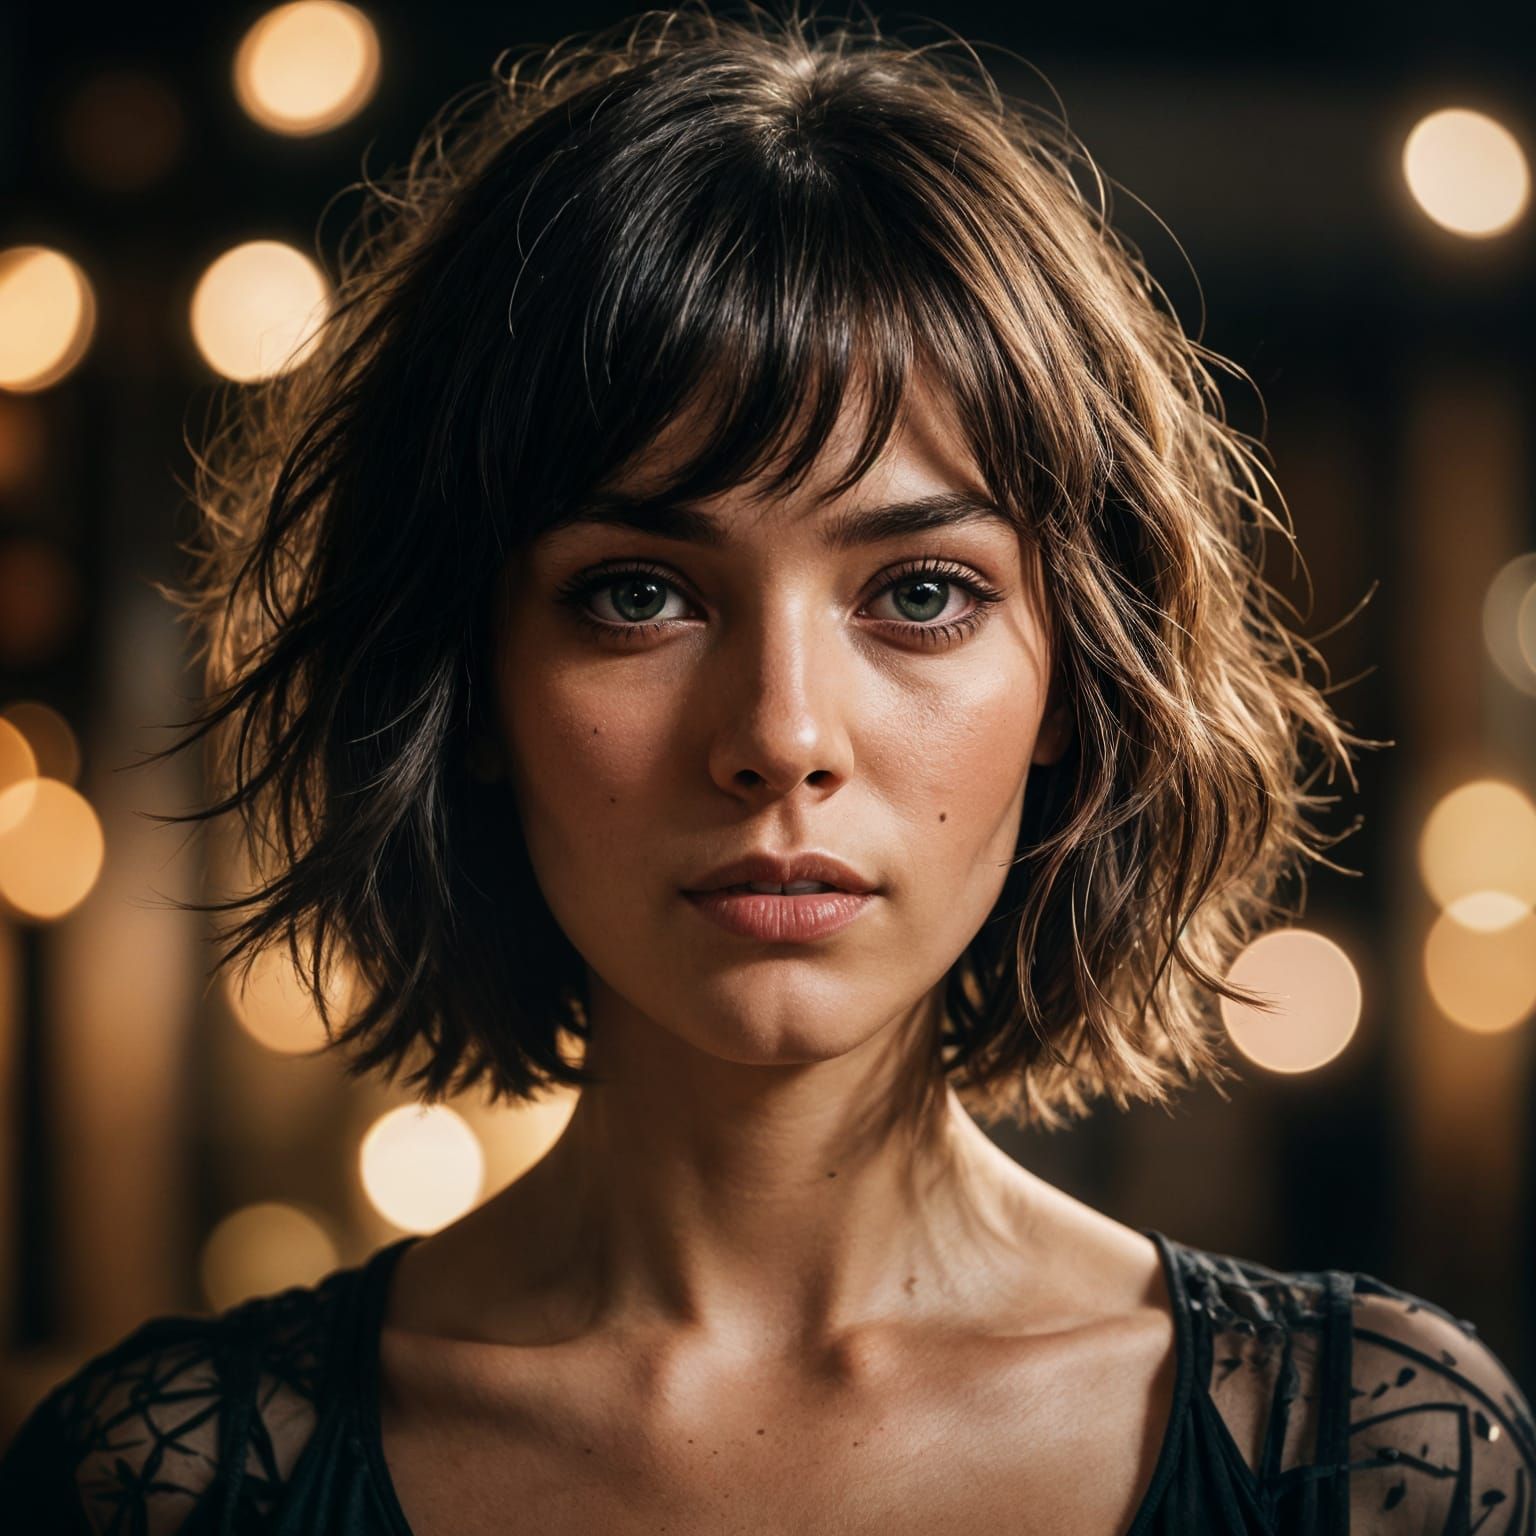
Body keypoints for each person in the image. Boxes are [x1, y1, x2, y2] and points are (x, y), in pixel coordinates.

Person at [3, 4, 1533, 1532]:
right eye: (640, 594)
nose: (783, 737)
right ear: (468, 679)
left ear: (1075, 674)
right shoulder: (171, 1485)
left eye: (920, 593)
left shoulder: (1364, 1458)